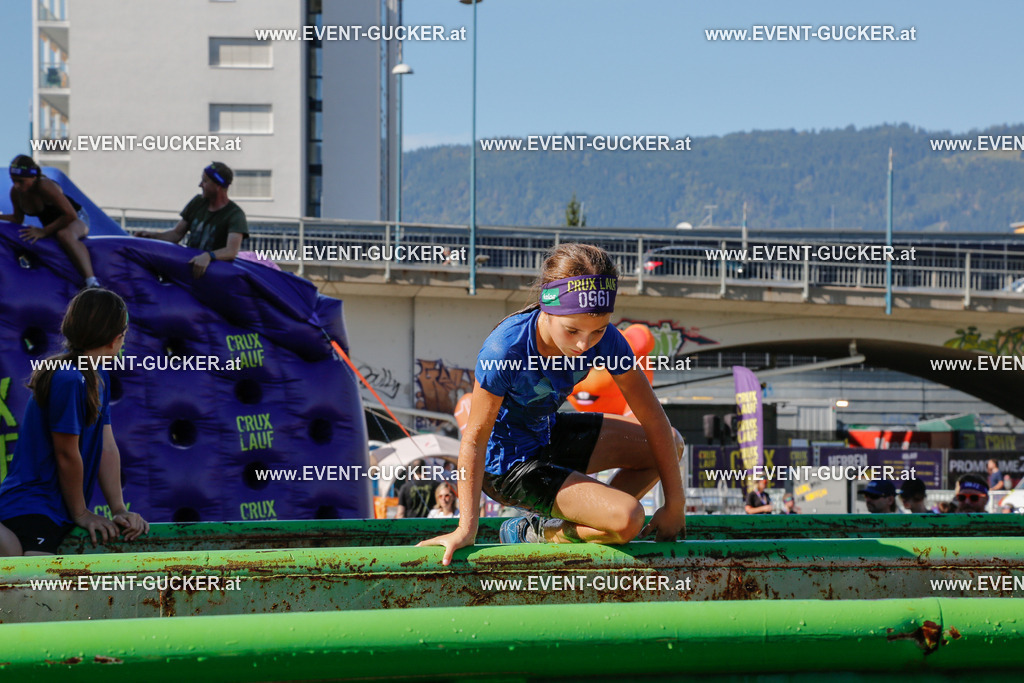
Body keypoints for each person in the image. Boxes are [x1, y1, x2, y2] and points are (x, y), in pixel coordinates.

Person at [418, 244, 685, 565]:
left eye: (597, 330)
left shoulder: (609, 340)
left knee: (670, 442)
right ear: (548, 308)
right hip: (506, 466)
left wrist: (675, 505)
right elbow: (474, 438)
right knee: (628, 519)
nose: (584, 344)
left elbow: (654, 419)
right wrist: (466, 528)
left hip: (547, 434)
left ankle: (586, 520)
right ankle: (534, 532)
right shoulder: (505, 350)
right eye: (572, 330)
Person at [0, 289, 149, 555]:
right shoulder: (69, 379)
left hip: (56, 511)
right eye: (124, 336)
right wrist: (82, 512)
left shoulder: (98, 375)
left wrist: (119, 509)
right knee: (33, 587)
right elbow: (66, 454)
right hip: (33, 506)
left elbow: (106, 447)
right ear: (116, 339)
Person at [1, 155, 100, 288]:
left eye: (21, 181)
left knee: (65, 235)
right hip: (55, 225)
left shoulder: (45, 185)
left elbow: (70, 214)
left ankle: (92, 281)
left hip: (76, 218)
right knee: (26, 234)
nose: (17, 185)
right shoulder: (16, 193)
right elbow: (17, 219)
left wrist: (44, 231)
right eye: (14, 181)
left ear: (33, 177)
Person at [135, 162, 248, 278]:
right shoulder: (197, 202)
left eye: (205, 181)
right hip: (188, 267)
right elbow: (176, 234)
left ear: (217, 185)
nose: (200, 185)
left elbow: (231, 251)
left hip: (213, 275)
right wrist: (151, 237)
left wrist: (209, 256)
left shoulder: (235, 214)